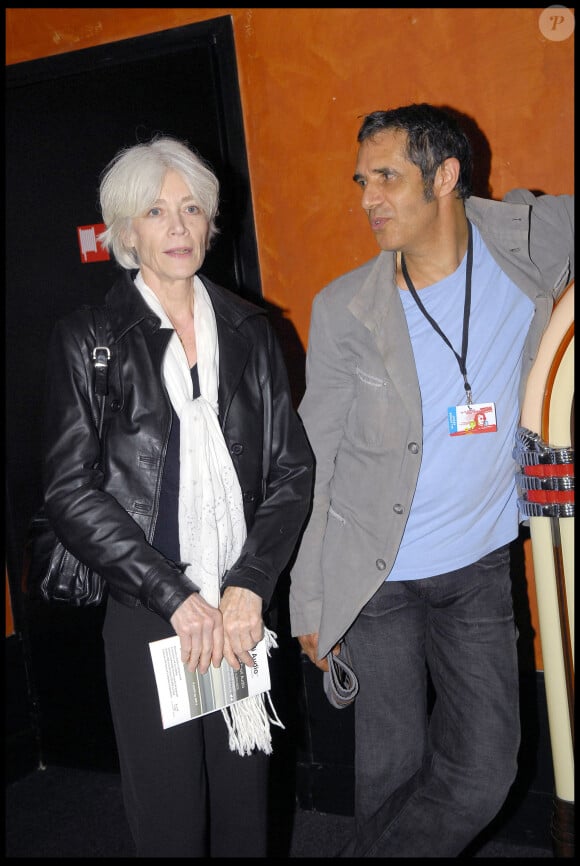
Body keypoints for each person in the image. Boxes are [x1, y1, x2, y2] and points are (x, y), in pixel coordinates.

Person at [289, 103, 574, 857]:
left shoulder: (526, 249)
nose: (366, 199)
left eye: (387, 177)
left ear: (445, 176)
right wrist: (312, 595)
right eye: (361, 180)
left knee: (484, 768)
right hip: (378, 578)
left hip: (478, 568)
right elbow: (319, 456)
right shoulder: (346, 308)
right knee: (390, 777)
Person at [41, 135, 313, 858]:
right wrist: (174, 596)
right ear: (125, 232)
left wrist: (249, 587)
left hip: (237, 610)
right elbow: (69, 491)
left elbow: (291, 472)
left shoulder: (253, 332)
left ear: (211, 221)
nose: (178, 227)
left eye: (192, 209)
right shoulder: (90, 337)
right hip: (151, 613)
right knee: (169, 818)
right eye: (156, 212)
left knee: (243, 811)